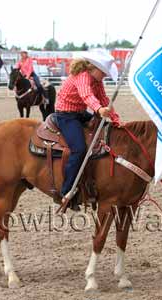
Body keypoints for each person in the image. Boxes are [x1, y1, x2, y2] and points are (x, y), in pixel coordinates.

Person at [55, 50, 120, 211]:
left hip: (79, 113)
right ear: (94, 68)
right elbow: (87, 96)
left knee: (105, 132)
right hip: (66, 115)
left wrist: (116, 119)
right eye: (103, 73)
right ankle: (66, 190)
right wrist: (99, 110)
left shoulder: (97, 81)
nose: (104, 76)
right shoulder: (83, 76)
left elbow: (104, 99)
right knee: (79, 149)